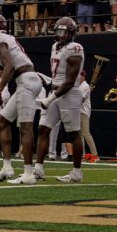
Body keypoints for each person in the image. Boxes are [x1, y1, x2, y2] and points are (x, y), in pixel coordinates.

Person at [0, 12, 39, 184]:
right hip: (27, 79)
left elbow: (10, 65)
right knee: (2, 122)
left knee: (25, 128)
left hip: (26, 80)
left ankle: (29, 173)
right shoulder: (5, 37)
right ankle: (7, 167)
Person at [35, 17, 85, 184]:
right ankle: (38, 169)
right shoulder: (55, 46)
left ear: (71, 33)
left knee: (73, 133)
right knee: (43, 129)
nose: (60, 35)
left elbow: (69, 82)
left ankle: (77, 172)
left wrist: (49, 99)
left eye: (64, 32)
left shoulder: (75, 49)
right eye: (58, 31)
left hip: (69, 94)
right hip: (55, 91)